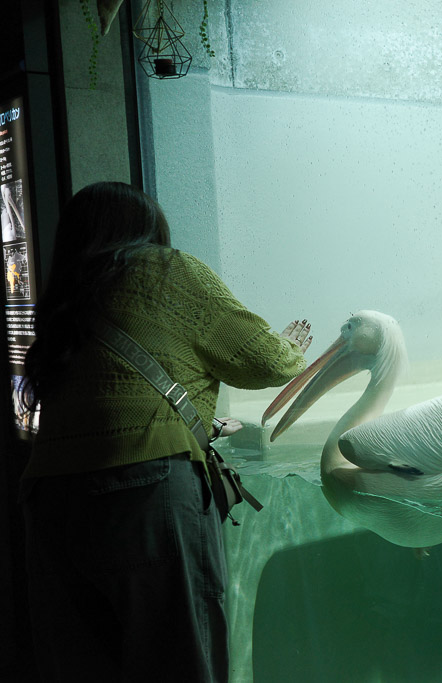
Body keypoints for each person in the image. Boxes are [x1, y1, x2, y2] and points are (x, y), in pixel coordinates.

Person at [18, 181, 313, 682]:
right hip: (146, 493)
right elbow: (263, 361)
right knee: (180, 662)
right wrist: (290, 346)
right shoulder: (167, 270)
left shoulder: (65, 298)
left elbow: (104, 402)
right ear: (148, 231)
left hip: (52, 500)